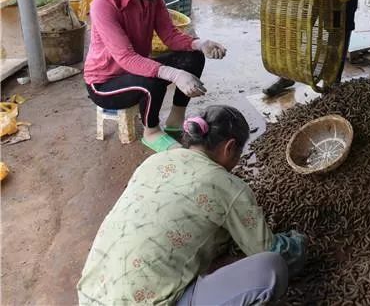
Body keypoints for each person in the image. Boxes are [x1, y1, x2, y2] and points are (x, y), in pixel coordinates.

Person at [77, 105, 307, 306]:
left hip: (90, 296)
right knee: (270, 268)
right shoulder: (226, 185)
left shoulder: (154, 161)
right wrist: (299, 243)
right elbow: (268, 249)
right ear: (230, 147)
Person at [85, 0, 227, 153]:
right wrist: (175, 75)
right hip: (105, 83)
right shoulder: (102, 5)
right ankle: (151, 132)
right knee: (153, 80)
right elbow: (126, 58)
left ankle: (175, 121)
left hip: (134, 68)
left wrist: (200, 44)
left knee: (192, 57)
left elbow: (170, 35)